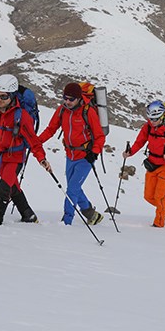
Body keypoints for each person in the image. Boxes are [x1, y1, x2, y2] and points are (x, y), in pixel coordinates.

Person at [0, 74, 52, 226]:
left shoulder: (21, 116)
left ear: (12, 96)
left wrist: (42, 159)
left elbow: (33, 141)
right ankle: (28, 215)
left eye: (4, 96)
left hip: (15, 157)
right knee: (13, 186)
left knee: (3, 189)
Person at [39, 82, 106, 226]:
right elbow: (51, 129)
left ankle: (67, 220)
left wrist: (94, 153)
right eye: (65, 98)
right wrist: (37, 142)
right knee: (73, 187)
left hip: (85, 157)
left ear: (79, 98)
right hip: (70, 155)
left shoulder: (88, 111)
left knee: (72, 188)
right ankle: (91, 214)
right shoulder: (62, 110)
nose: (67, 102)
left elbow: (100, 136)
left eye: (71, 99)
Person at [121, 100, 165, 228]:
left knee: (159, 196)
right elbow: (140, 141)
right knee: (149, 196)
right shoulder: (148, 126)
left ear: (161, 116)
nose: (152, 121)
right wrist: (130, 152)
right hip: (152, 164)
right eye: (150, 118)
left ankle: (158, 225)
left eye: (155, 118)